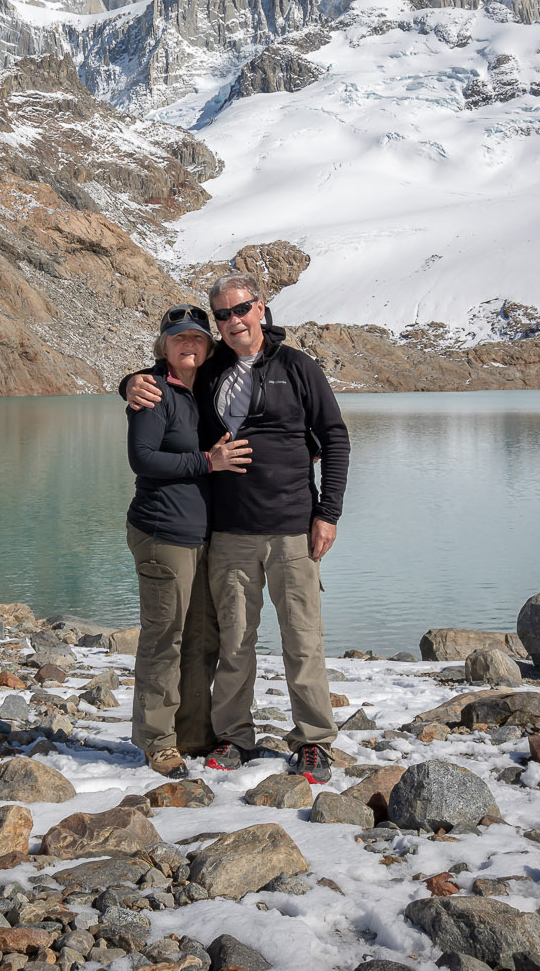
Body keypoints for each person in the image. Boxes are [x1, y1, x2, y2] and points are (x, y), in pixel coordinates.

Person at [123, 273, 351, 784]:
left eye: (240, 310)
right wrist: (131, 382)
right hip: (227, 532)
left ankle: (313, 741)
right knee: (234, 642)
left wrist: (328, 513)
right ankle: (233, 736)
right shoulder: (213, 369)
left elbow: (334, 439)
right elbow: (169, 374)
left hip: (292, 529)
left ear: (261, 308)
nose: (233, 322)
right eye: (222, 316)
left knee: (302, 640)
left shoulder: (296, 366)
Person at [123, 304, 252, 778]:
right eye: (179, 339)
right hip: (163, 533)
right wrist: (206, 463)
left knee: (203, 636)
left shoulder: (210, 386)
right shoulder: (153, 390)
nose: (189, 345)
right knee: (165, 638)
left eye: (197, 338)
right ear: (164, 346)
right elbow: (143, 459)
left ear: (208, 343)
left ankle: (194, 733)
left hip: (205, 536)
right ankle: (157, 741)